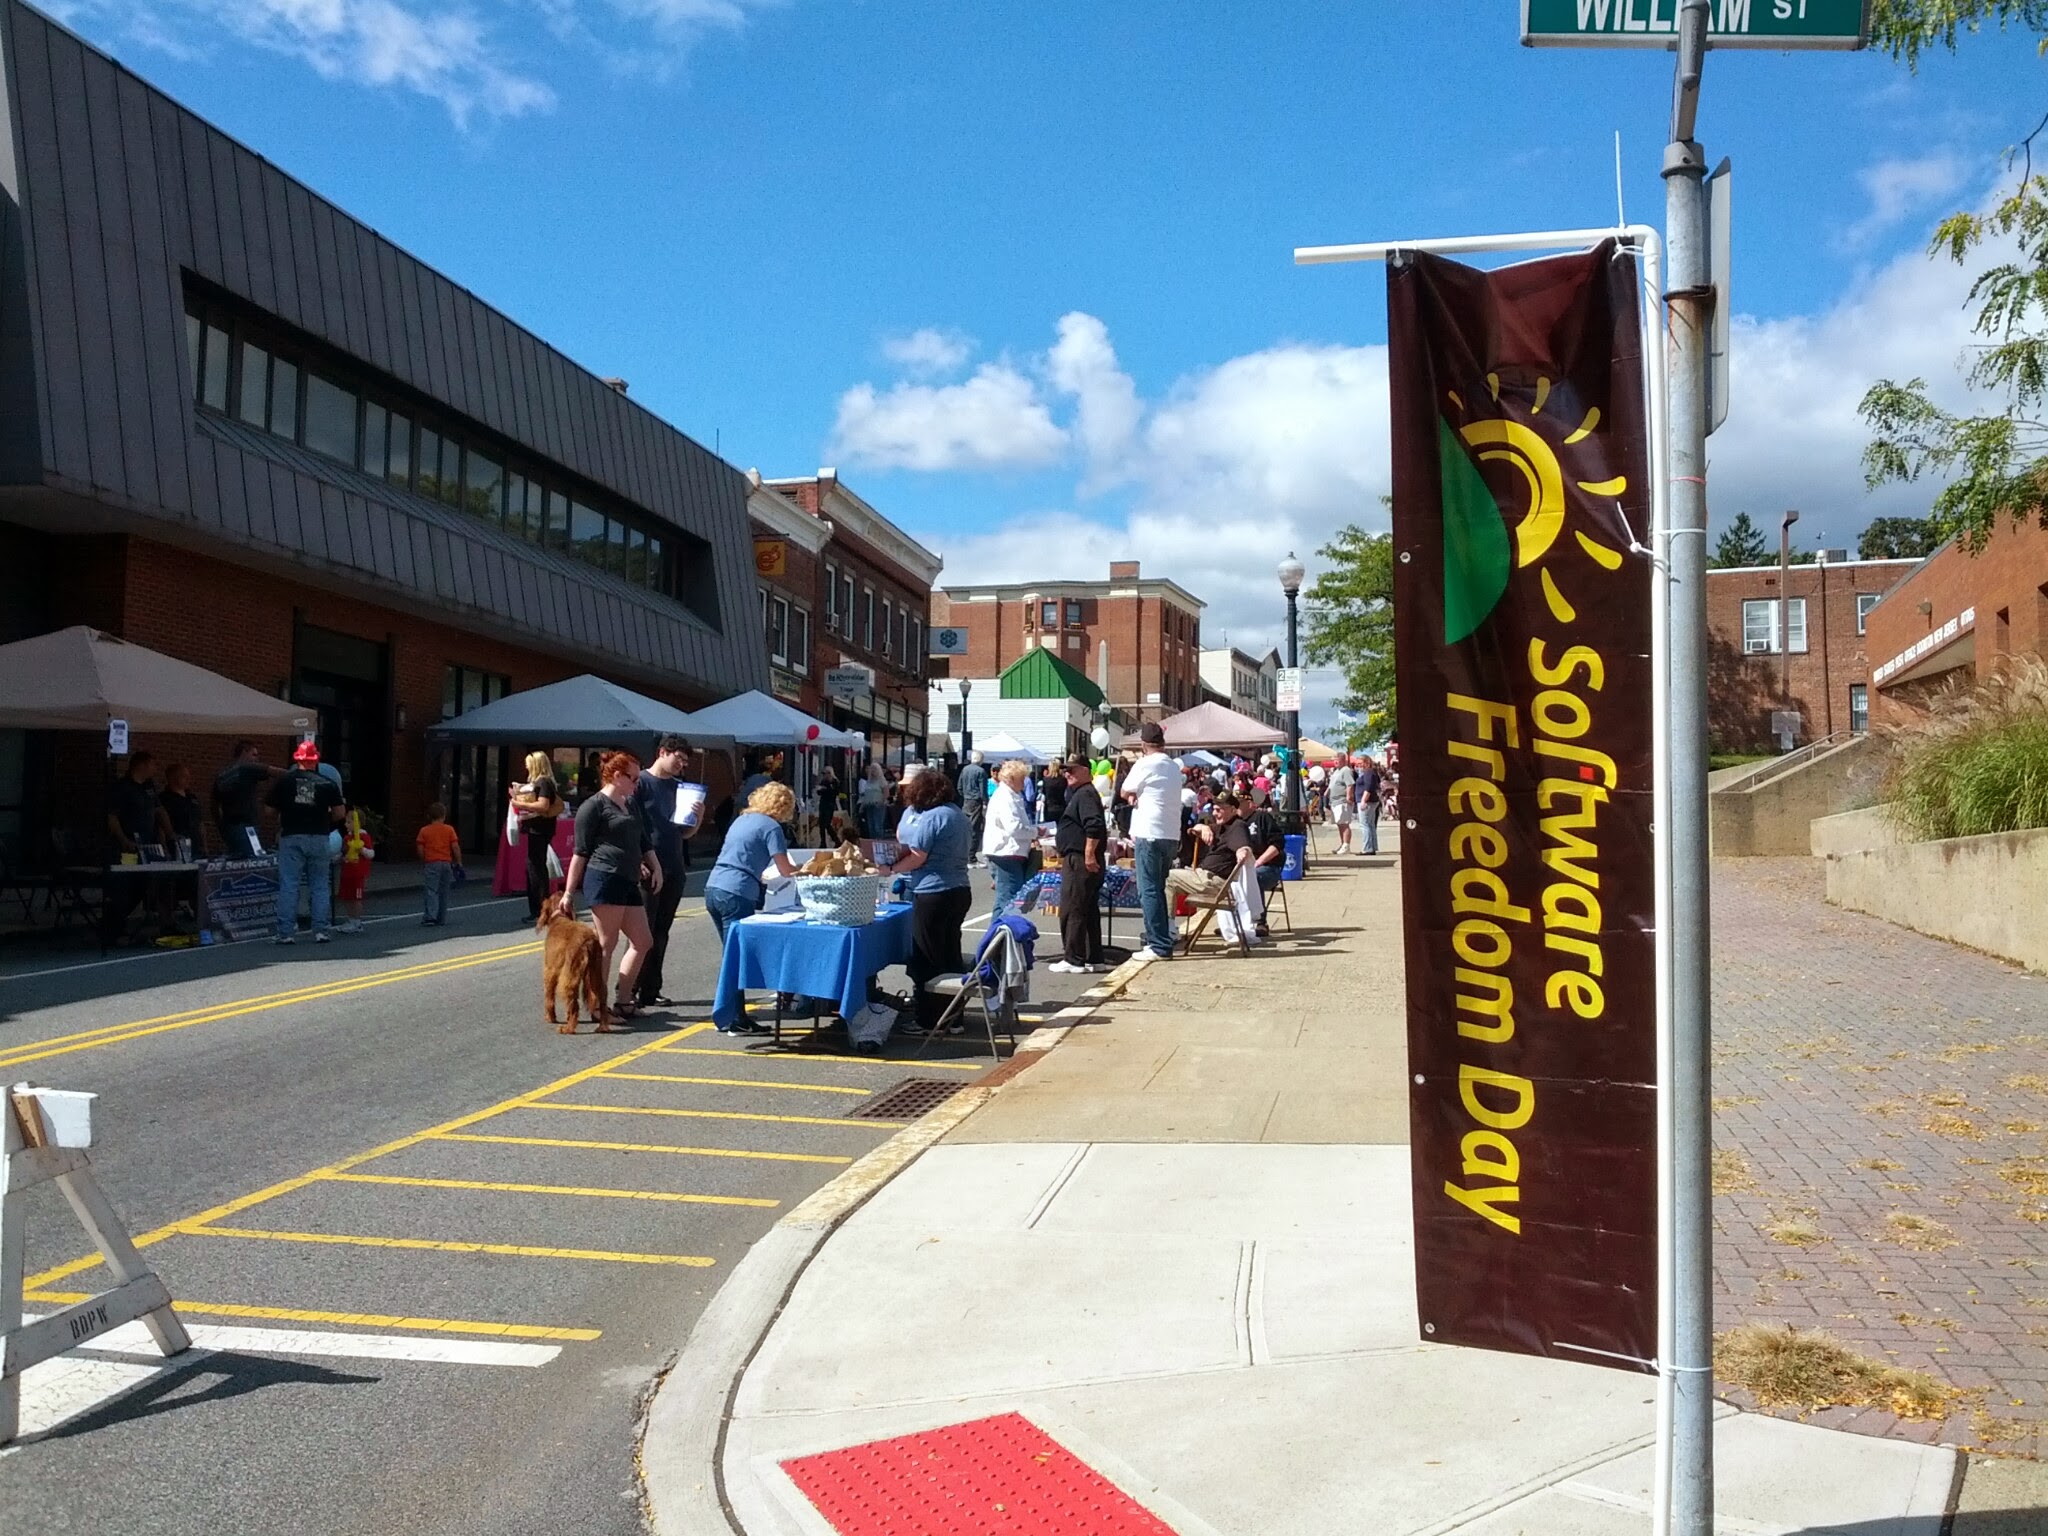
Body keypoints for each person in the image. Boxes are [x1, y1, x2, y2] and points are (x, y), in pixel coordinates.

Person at [563, 750, 662, 1021]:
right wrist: (569, 892)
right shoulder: (593, 806)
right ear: (616, 776)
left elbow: (643, 840)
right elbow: (580, 852)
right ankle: (597, 1005)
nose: (636, 783)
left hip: (629, 878)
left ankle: (624, 999)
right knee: (607, 943)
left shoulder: (629, 803)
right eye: (632, 778)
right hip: (605, 877)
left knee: (643, 941)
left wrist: (656, 867)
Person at [888, 769, 973, 1034]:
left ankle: (928, 1019)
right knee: (950, 954)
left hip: (932, 890)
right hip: (960, 887)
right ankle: (953, 1016)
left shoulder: (932, 817)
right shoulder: (957, 814)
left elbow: (917, 855)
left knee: (927, 957)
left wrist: (890, 869)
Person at [632, 735, 699, 1009]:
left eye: (685, 761)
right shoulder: (641, 783)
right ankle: (629, 988)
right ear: (662, 752)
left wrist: (697, 817)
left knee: (662, 931)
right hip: (649, 867)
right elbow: (631, 826)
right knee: (643, 931)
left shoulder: (681, 787)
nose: (681, 765)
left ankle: (651, 989)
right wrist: (638, 861)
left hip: (674, 865)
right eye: (678, 758)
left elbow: (684, 833)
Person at [268, 741, 344, 944]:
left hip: (291, 836)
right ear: (316, 759)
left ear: (297, 759)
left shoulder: (284, 781)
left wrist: (286, 810)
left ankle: (286, 933)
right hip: (319, 836)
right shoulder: (327, 783)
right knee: (320, 884)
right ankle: (321, 930)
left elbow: (268, 810)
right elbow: (339, 813)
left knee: (289, 884)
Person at [1120, 721, 1184, 961]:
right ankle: (1161, 937)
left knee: (1149, 890)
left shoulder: (1145, 763)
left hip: (1149, 831)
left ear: (1143, 745)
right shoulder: (1173, 766)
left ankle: (1158, 944)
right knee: (1159, 887)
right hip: (1170, 833)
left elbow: (1124, 790)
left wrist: (1134, 795)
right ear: (1163, 743)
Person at [1049, 756, 1106, 974]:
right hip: (1081, 857)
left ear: (1084, 770)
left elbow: (1094, 825)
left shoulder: (1085, 794)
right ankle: (1093, 957)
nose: (1067, 774)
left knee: (1072, 908)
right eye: (1065, 770)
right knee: (1087, 909)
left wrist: (1089, 854)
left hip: (1081, 859)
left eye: (1071, 770)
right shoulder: (1082, 793)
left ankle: (1073, 959)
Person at [1166, 791, 1256, 920]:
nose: (1214, 813)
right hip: (1206, 878)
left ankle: (1167, 929)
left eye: (1219, 810)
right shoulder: (1222, 826)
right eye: (1214, 809)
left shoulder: (1237, 826)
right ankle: (1168, 927)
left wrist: (1242, 851)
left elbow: (1242, 846)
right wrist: (1203, 827)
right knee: (1170, 877)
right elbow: (1191, 830)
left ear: (1232, 809)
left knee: (1168, 878)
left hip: (1214, 882)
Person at [509, 751, 564, 923]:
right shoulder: (541, 782)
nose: (525, 767)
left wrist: (519, 803)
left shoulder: (544, 782)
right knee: (535, 868)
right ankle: (539, 910)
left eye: (528, 764)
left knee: (536, 870)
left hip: (540, 830)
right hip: (537, 829)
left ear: (535, 765)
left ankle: (541, 911)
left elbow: (543, 805)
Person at [981, 760, 1035, 917]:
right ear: (1012, 778)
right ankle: (1003, 937)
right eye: (1021, 778)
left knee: (1003, 902)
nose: (1024, 782)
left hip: (1008, 853)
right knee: (1009, 902)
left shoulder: (1011, 795)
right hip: (1005, 854)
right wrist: (1035, 832)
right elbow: (1014, 828)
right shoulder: (1006, 797)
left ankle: (996, 939)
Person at [212, 740, 279, 858]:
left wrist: (221, 827)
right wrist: (298, 775)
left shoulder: (223, 775)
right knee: (251, 859)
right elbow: (274, 771)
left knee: (237, 860)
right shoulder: (245, 767)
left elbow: (214, 805)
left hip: (229, 826)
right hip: (246, 825)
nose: (256, 759)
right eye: (254, 754)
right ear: (244, 752)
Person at [1242, 795, 1287, 938]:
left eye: (1238, 804)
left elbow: (1278, 844)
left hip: (1268, 868)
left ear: (1249, 804)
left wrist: (1259, 861)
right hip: (1241, 868)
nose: (1235, 807)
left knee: (1253, 876)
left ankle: (1260, 922)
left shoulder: (1262, 818)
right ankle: (1234, 922)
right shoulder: (1234, 823)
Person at [416, 802, 461, 926]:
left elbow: (420, 848)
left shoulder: (424, 831)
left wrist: (423, 860)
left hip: (431, 862)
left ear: (429, 816)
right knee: (444, 891)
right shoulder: (449, 829)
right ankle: (441, 917)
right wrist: (458, 862)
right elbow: (455, 847)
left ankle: (431, 916)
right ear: (444, 816)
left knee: (431, 890)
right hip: (446, 862)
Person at [336, 807, 375, 933]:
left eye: (348, 822)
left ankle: (357, 922)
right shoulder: (347, 838)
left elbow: (371, 853)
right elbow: (343, 853)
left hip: (357, 873)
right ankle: (351, 919)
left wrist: (361, 849)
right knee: (346, 897)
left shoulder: (364, 837)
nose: (346, 825)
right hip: (346, 872)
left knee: (356, 898)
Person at [159, 763, 204, 857]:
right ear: (172, 778)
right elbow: (160, 827)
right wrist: (164, 849)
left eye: (188, 776)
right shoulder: (164, 799)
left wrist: (204, 845)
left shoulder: (192, 798)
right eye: (184, 776)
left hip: (195, 845)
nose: (188, 780)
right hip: (177, 846)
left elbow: (200, 822)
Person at [956, 752, 988, 863]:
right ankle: (971, 856)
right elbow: (983, 789)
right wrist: (985, 801)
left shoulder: (965, 769)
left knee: (965, 827)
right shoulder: (981, 771)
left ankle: (963, 853)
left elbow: (959, 786)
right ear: (981, 760)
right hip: (976, 801)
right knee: (975, 829)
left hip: (966, 800)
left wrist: (964, 795)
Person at [1328, 756, 1357, 854]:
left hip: (1342, 800)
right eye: (1334, 760)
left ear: (1343, 760)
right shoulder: (1336, 771)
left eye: (1338, 760)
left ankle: (1346, 845)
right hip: (1334, 802)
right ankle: (1342, 844)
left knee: (1344, 824)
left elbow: (1350, 784)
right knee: (1339, 824)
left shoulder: (1346, 770)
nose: (1336, 762)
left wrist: (1349, 796)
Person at [1356, 755, 1384, 856]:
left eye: (1361, 763)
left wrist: (1363, 800)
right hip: (1372, 801)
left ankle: (1367, 848)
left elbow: (1367, 788)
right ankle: (1372, 846)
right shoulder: (1372, 773)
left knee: (1365, 825)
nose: (1359, 766)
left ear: (1367, 763)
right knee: (1370, 824)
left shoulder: (1368, 773)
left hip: (1367, 801)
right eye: (1358, 764)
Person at [814, 766, 843, 844]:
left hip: (830, 804)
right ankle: (823, 842)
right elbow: (819, 792)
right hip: (823, 803)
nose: (825, 776)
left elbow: (835, 792)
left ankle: (836, 840)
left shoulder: (835, 781)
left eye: (826, 773)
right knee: (821, 824)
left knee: (827, 823)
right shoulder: (823, 781)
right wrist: (820, 789)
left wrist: (825, 789)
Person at [858, 761, 886, 837]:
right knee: (871, 826)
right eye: (872, 769)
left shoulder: (882, 781)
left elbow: (886, 792)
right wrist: (862, 806)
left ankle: (879, 841)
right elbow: (866, 794)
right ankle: (872, 842)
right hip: (868, 805)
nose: (873, 771)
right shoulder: (868, 782)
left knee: (877, 826)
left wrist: (881, 802)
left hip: (878, 805)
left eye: (875, 769)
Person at [1039, 759, 1068, 828]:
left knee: (1050, 830)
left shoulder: (1046, 780)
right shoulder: (1063, 780)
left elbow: (1044, 792)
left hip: (1049, 808)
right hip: (1061, 807)